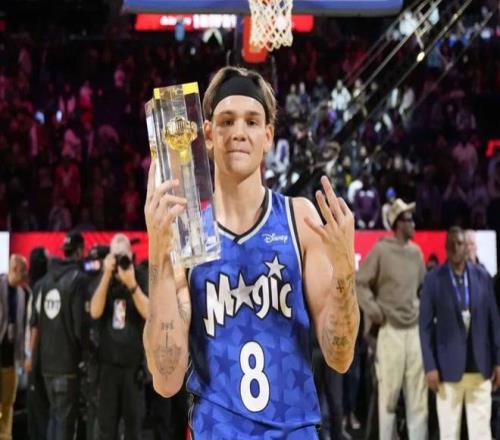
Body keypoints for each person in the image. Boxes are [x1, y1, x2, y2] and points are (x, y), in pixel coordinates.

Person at [143, 66, 359, 438]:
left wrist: (344, 273)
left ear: (268, 135)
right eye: (226, 121)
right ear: (207, 133)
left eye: (252, 121)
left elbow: (339, 357)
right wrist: (159, 255)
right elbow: (166, 378)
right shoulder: (188, 235)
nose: (239, 132)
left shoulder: (300, 219)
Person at [419, 227, 500, 439]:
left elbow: (494, 321)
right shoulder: (433, 279)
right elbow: (424, 327)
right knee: (448, 435)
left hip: (480, 368)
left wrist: (498, 361)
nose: (456, 248)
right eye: (452, 244)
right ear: (445, 247)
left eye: (460, 243)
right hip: (446, 370)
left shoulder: (483, 277)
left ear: (467, 247)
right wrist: (430, 366)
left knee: (481, 435)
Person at [356, 199, 427, 440]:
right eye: (409, 219)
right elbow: (360, 282)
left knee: (418, 399)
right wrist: (373, 310)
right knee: (388, 398)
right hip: (390, 331)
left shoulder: (416, 253)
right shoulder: (381, 250)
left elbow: (422, 288)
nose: (413, 223)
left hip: (413, 330)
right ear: (398, 224)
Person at [90, 233, 148, 440]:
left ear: (131, 255)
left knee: (133, 429)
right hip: (108, 368)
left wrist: (132, 284)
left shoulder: (140, 276)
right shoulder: (104, 278)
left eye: (124, 255)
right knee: (106, 429)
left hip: (133, 369)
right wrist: (107, 274)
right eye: (116, 256)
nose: (121, 260)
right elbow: (95, 312)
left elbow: (150, 313)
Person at [30, 231, 87, 440]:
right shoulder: (78, 279)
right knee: (65, 424)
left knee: (54, 418)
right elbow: (79, 326)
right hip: (68, 365)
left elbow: (35, 324)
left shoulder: (43, 282)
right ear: (80, 251)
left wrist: (32, 357)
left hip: (46, 365)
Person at [0, 254, 28, 440]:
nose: (25, 276)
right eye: (23, 272)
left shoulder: (23, 294)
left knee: (8, 403)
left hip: (11, 357)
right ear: (15, 269)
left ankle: (5, 436)